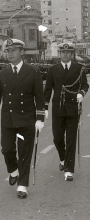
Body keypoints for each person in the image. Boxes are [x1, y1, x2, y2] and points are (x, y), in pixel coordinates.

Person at [0, 38, 45, 199]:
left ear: (21, 52)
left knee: (25, 152)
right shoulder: (2, 74)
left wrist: (40, 118)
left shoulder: (33, 71)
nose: (10, 53)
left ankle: (22, 185)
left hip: (27, 118)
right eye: (8, 50)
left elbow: (39, 97)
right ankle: (13, 170)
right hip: (9, 119)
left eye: (13, 50)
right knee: (7, 149)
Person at [43, 43, 89, 181]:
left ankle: (69, 170)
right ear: (59, 53)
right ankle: (63, 158)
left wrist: (82, 93)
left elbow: (85, 85)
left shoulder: (79, 68)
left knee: (70, 139)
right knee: (57, 138)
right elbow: (48, 90)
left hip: (73, 109)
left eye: (68, 52)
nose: (65, 54)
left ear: (71, 54)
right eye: (63, 52)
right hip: (58, 108)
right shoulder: (52, 69)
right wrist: (44, 107)